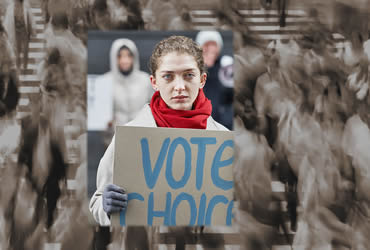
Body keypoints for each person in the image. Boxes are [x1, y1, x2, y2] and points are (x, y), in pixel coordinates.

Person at [89, 35, 230, 249]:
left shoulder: (221, 139)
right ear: (154, 82)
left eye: (188, 75)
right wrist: (106, 205)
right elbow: (97, 203)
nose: (180, 86)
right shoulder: (130, 136)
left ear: (202, 79)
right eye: (168, 77)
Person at [95, 38, 152, 128]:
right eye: (120, 56)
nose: (125, 60)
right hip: (115, 135)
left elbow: (153, 108)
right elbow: (100, 117)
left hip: (142, 132)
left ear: (134, 57)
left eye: (129, 55)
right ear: (114, 58)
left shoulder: (145, 80)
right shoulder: (104, 81)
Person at [195, 31, 234, 130]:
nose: (210, 49)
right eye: (207, 45)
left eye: (213, 45)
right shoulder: (193, 66)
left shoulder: (226, 65)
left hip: (222, 124)